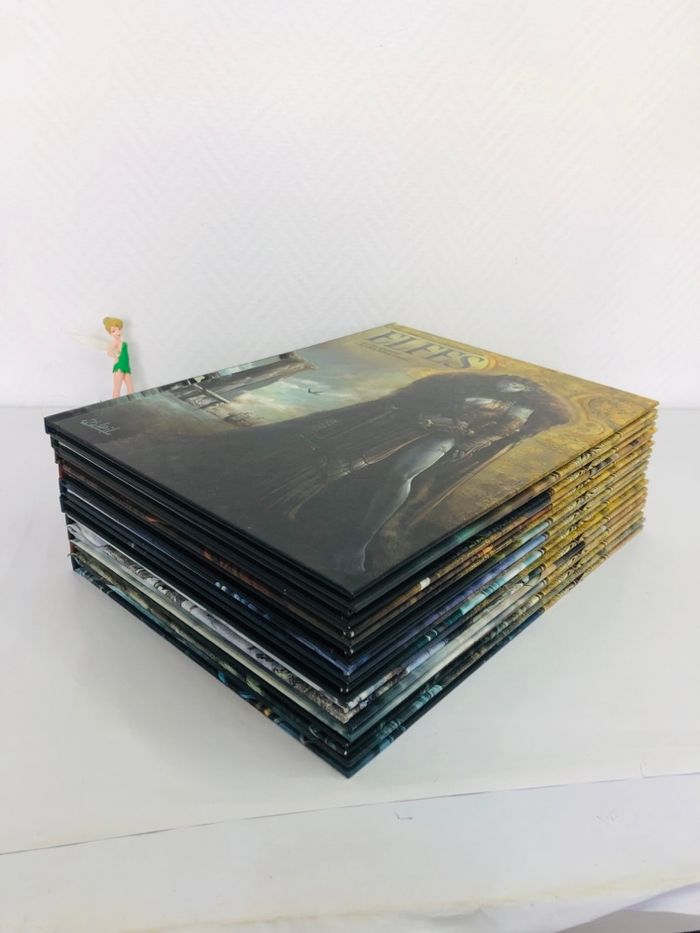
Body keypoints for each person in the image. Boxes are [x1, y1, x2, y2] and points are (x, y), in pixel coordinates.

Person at [103, 316, 133, 398]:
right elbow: (109, 353)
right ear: (110, 333)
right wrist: (116, 356)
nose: (117, 332)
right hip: (119, 366)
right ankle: (115, 404)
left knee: (130, 388)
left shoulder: (121, 341)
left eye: (119, 329)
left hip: (126, 366)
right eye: (114, 331)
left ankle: (132, 402)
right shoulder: (114, 342)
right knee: (117, 388)